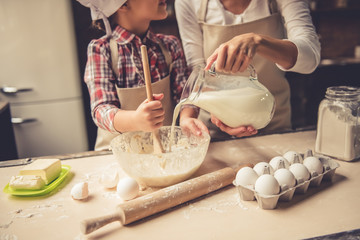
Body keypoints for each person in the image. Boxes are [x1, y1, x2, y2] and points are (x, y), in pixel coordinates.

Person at [175, 0, 321, 139]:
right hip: (215, 127)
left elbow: (310, 59)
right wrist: (197, 114)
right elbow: (197, 71)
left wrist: (258, 41)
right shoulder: (188, 2)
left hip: (274, 123)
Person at [76, 0, 189, 150]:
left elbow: (185, 98)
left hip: (166, 151)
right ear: (122, 4)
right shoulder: (101, 50)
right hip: (117, 156)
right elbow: (101, 110)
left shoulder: (170, 46)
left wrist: (188, 117)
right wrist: (135, 120)